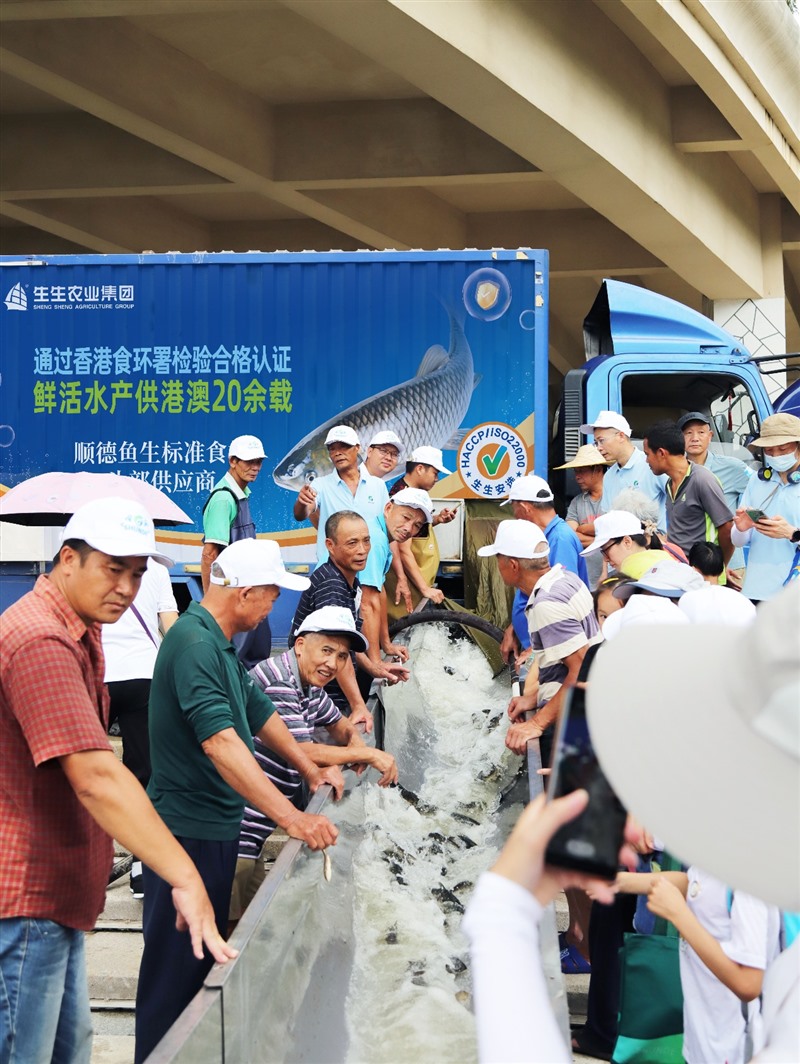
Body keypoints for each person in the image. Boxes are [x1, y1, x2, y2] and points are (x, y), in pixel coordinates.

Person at [463, 584, 799, 1064]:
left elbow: (747, 978)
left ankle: (613, 1032)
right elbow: (704, 885)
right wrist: (629, 879)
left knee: (625, 942)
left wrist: (502, 912)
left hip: (730, 1039)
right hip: (703, 1035)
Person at [0, 497, 235, 1064]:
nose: (127, 588)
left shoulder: (80, 632)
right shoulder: (40, 639)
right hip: (27, 898)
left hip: (57, 897)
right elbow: (97, 775)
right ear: (67, 559)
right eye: (113, 568)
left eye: (137, 573)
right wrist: (183, 873)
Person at [135, 538, 341, 1063]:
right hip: (187, 832)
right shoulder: (195, 644)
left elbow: (258, 716)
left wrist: (308, 767)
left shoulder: (220, 643)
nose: (274, 606)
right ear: (246, 592)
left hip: (215, 829)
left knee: (202, 968)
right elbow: (221, 741)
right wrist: (291, 817)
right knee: (174, 975)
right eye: (271, 595)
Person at [231, 607, 398, 925]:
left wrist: (356, 742)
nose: (332, 664)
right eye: (326, 651)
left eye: (341, 656)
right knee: (230, 939)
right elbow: (299, 749)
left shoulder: (307, 682)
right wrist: (367, 756)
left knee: (250, 928)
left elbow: (339, 724)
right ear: (299, 644)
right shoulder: (280, 681)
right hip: (234, 828)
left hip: (253, 831)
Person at [477, 520, 601, 763]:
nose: (498, 565)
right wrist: (533, 699)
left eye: (499, 559)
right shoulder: (566, 579)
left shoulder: (547, 604)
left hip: (571, 722)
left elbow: (582, 670)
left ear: (512, 565)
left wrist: (536, 723)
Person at [103, 557, 179, 898]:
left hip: (98, 675)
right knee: (144, 773)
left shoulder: (98, 564)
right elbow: (170, 625)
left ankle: (95, 861)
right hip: (144, 675)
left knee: (90, 771)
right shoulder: (157, 570)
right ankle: (141, 869)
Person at [290, 511, 409, 728]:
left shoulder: (347, 579)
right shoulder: (331, 585)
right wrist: (358, 706)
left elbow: (348, 645)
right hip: (319, 702)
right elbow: (336, 649)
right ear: (330, 545)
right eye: (352, 543)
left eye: (366, 541)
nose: (362, 550)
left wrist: (376, 669)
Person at [498, 475, 589, 665]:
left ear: (524, 507)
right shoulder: (545, 536)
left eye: (513, 508)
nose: (514, 515)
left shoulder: (559, 539)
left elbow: (562, 604)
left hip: (552, 652)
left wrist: (533, 651)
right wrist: (514, 627)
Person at [201, 433, 271, 669]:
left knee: (255, 658)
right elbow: (210, 554)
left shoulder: (241, 495)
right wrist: (210, 607)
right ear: (232, 461)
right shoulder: (224, 499)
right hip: (232, 598)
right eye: (249, 461)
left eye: (258, 462)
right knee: (234, 661)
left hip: (248, 593)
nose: (255, 467)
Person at [292, 424, 389, 564]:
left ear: (357, 448)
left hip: (369, 567)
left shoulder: (378, 485)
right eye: (332, 449)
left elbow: (385, 528)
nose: (337, 453)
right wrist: (302, 503)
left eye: (344, 446)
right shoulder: (320, 485)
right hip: (332, 570)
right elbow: (301, 514)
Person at [679, 409, 753, 583]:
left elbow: (760, 492)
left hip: (730, 563)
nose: (695, 438)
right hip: (690, 565)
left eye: (701, 432)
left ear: (710, 435)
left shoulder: (733, 467)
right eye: (688, 433)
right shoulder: (675, 472)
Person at [732, 413, 800, 602]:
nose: (776, 455)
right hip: (757, 590)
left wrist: (792, 533)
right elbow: (738, 541)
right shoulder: (758, 480)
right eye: (769, 450)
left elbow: (793, 534)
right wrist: (741, 528)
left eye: (783, 449)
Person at [643, 420, 734, 561]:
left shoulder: (702, 479)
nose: (646, 461)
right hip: (680, 571)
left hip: (702, 576)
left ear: (661, 453)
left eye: (647, 454)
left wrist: (719, 567)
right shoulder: (669, 484)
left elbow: (727, 529)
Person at [385, 445, 459, 617]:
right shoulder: (402, 496)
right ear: (420, 469)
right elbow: (403, 550)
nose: (437, 478)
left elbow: (415, 530)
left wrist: (437, 519)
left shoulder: (414, 493)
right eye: (435, 473)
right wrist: (424, 588)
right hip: (410, 582)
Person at [581, 409, 666, 525]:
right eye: (596, 443)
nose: (599, 448)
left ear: (621, 436)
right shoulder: (609, 476)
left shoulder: (651, 465)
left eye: (601, 441)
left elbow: (676, 504)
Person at [555, 444, 610, 589]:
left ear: (597, 469)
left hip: (612, 578)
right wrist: (603, 539)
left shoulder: (613, 497)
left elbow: (619, 536)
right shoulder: (577, 502)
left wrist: (582, 528)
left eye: (582, 471)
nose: (577, 477)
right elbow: (570, 536)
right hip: (585, 579)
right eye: (575, 471)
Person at [581, 509, 677, 581]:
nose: (606, 559)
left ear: (627, 542)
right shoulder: (667, 560)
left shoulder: (630, 579)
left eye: (606, 550)